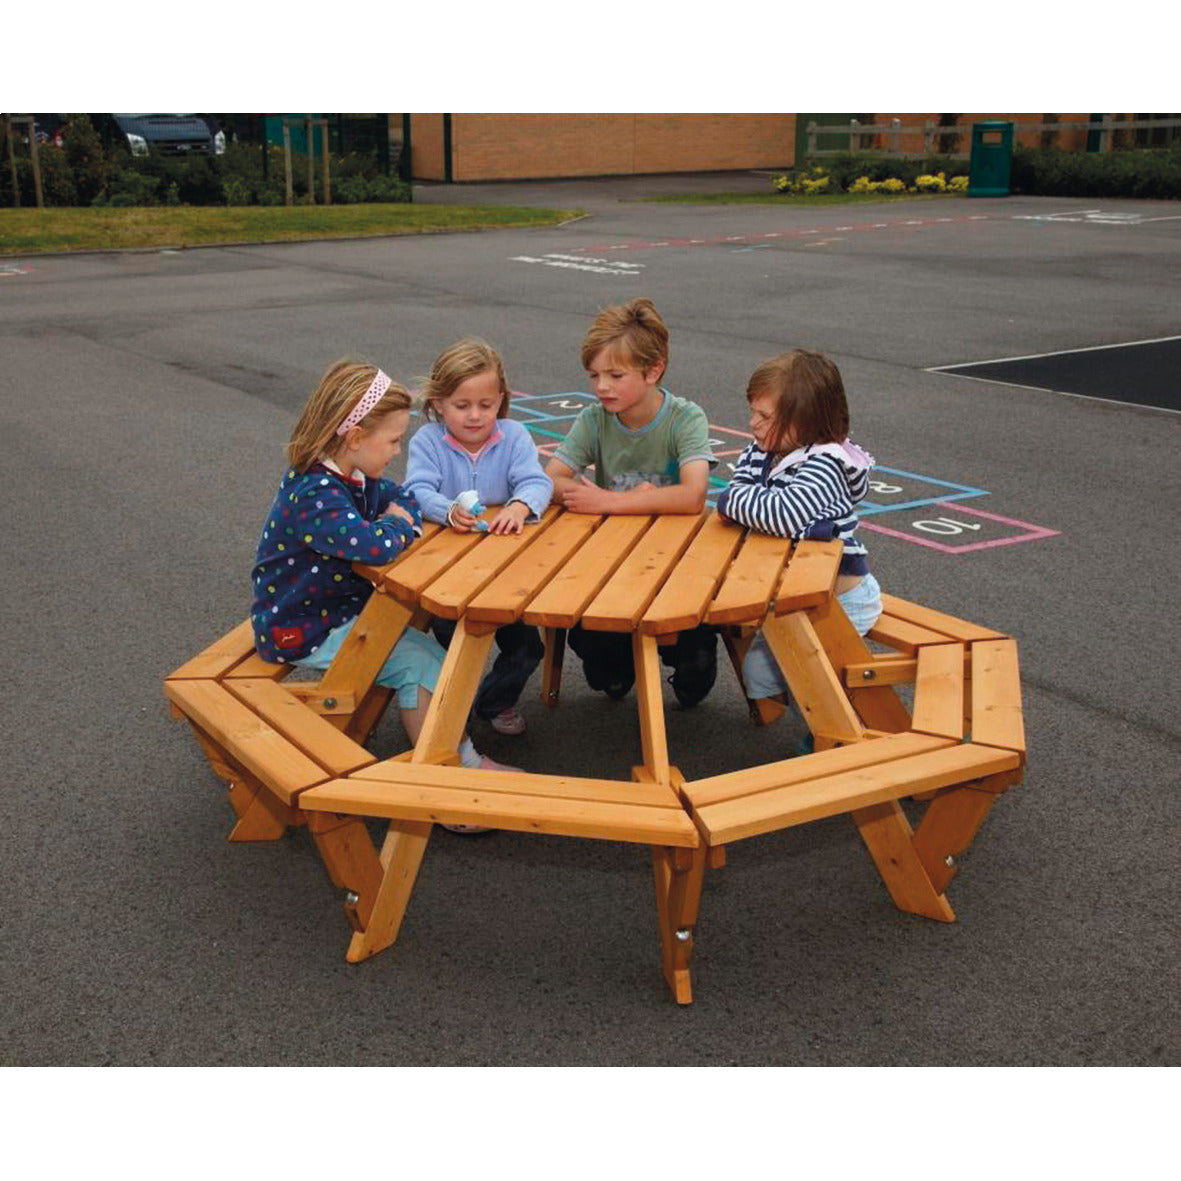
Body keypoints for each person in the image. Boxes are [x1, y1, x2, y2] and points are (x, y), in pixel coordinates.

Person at [250, 359, 512, 827]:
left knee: (427, 652)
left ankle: (452, 756)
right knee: (425, 663)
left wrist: (395, 515)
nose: (395, 451)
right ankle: (446, 782)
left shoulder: (347, 477)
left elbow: (403, 495)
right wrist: (393, 523)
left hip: (328, 612)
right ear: (354, 438)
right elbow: (375, 543)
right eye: (392, 440)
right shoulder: (316, 493)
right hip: (301, 628)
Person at [544, 298, 719, 707]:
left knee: (690, 639)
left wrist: (608, 500)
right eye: (594, 375)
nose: (602, 386)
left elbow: (694, 496)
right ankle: (619, 668)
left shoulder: (684, 417)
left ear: (653, 370)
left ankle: (693, 667)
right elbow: (549, 479)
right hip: (614, 560)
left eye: (615, 375)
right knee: (591, 641)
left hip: (680, 563)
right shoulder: (594, 419)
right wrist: (602, 498)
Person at [715, 348, 881, 751]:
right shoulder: (765, 450)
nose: (752, 423)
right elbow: (739, 493)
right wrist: (751, 506)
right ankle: (826, 716)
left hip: (838, 604)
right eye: (752, 411)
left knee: (808, 677)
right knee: (760, 673)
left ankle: (838, 736)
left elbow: (778, 514)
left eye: (765, 417)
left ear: (806, 421)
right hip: (789, 598)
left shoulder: (825, 463)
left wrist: (738, 505)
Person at [404, 339, 553, 736]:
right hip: (447, 576)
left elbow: (537, 481)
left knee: (527, 648)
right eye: (461, 406)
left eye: (486, 406)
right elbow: (416, 490)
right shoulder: (428, 442)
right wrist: (447, 509)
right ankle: (450, 707)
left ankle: (494, 701)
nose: (475, 416)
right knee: (452, 646)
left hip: (507, 577)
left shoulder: (514, 435)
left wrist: (520, 505)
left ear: (501, 400)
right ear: (437, 403)